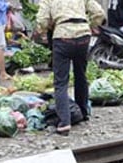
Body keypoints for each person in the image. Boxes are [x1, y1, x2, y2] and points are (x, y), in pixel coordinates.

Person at [36, 0, 105, 135]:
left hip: (62, 37)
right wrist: (91, 25)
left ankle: (64, 123)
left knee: (61, 82)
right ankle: (83, 112)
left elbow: (42, 20)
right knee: (81, 75)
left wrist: (44, 30)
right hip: (83, 37)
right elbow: (99, 12)